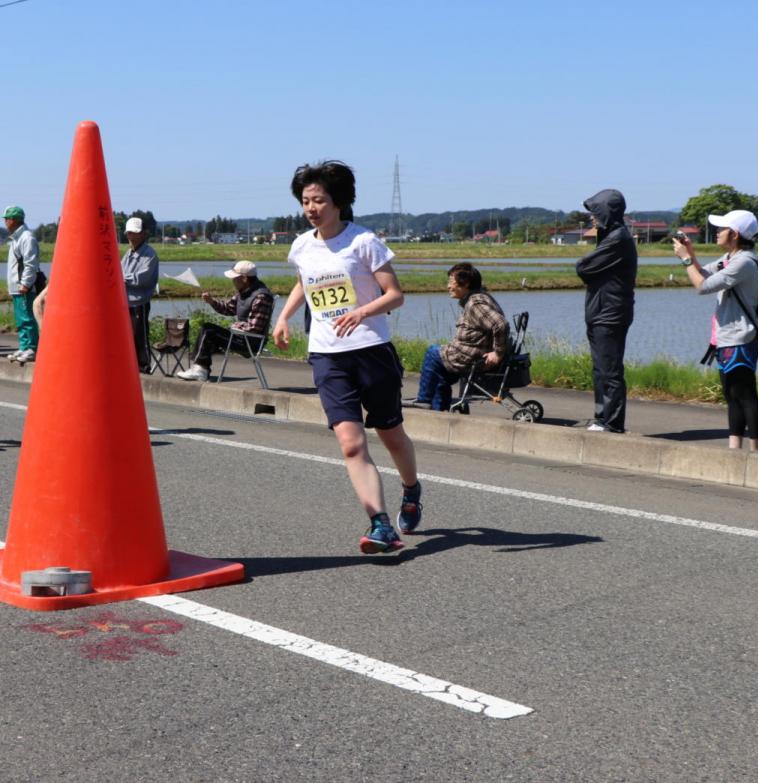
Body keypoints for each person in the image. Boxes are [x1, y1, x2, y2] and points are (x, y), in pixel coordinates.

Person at [272, 160, 423, 554]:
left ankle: (411, 489)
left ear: (338, 202)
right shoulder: (302, 246)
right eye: (305, 201)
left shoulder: (363, 242)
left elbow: (395, 295)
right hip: (327, 355)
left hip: (371, 350)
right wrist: (284, 317)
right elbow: (304, 283)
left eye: (318, 199)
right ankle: (380, 524)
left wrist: (361, 311)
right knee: (351, 444)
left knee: (391, 435)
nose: (311, 208)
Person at [672, 210, 758, 452]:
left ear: (734, 234)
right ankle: (734, 450)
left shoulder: (744, 262)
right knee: (732, 395)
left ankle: (757, 453)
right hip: (727, 337)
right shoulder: (729, 258)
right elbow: (703, 274)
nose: (717, 232)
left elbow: (702, 286)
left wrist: (685, 260)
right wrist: (691, 255)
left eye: (721, 228)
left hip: (741, 338)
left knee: (746, 395)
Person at [575, 188, 637, 433]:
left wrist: (587, 267)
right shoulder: (611, 236)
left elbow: (583, 267)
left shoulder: (617, 239)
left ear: (606, 212)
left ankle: (611, 423)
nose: (592, 217)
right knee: (601, 368)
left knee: (609, 370)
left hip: (610, 314)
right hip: (602, 312)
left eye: (595, 212)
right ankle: (602, 419)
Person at [411, 262, 509, 410]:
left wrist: (498, 352)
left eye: (451, 282)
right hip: (471, 355)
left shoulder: (475, 304)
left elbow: (500, 324)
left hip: (470, 358)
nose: (448, 287)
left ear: (466, 283)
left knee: (432, 353)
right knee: (440, 373)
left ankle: (424, 400)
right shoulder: (480, 297)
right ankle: (439, 409)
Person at [177, 260, 274, 381]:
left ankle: (200, 370)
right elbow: (228, 309)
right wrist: (211, 301)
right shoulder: (243, 293)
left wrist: (235, 325)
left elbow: (255, 328)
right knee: (207, 329)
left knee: (208, 330)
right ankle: (200, 368)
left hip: (250, 342)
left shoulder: (262, 297)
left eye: (234, 278)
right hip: (241, 337)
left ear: (244, 279)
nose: (232, 281)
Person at [3, 205, 41, 362]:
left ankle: (31, 348)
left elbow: (30, 263)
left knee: (27, 318)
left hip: (23, 287)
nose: (5, 222)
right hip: (15, 286)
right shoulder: (16, 238)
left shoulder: (26, 237)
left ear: (13, 220)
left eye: (6, 219)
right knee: (20, 319)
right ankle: (24, 346)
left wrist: (25, 283)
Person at [122, 216, 159, 373]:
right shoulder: (128, 253)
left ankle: (143, 367)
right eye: (130, 233)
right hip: (125, 302)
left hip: (139, 303)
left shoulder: (150, 254)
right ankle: (130, 368)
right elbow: (119, 271)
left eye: (136, 232)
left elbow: (142, 278)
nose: (132, 236)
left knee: (140, 336)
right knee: (126, 337)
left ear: (144, 234)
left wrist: (121, 279)